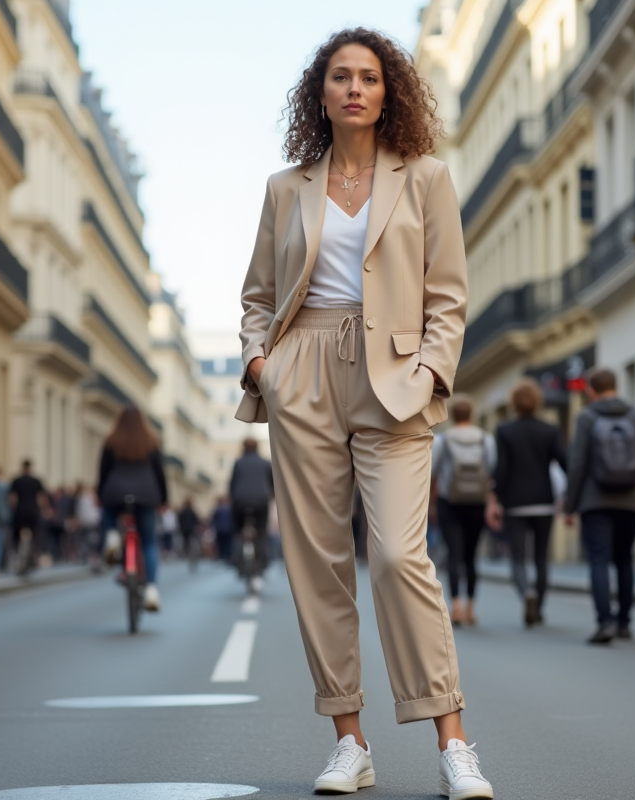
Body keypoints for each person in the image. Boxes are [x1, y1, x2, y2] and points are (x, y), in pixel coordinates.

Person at [236, 28, 491, 798]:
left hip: (395, 377)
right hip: (303, 368)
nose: (355, 88)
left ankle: (453, 740)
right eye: (341, 77)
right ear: (320, 94)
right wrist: (263, 364)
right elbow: (257, 295)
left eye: (370, 77)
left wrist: (428, 374)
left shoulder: (426, 178)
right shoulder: (288, 188)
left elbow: (448, 294)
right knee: (318, 563)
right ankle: (349, 740)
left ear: (389, 93)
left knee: (397, 557)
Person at [564, 368, 635, 645]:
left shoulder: (586, 417)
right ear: (615, 386)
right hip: (632, 500)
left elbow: (577, 464)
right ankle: (624, 623)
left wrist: (569, 505)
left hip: (594, 501)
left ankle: (605, 623)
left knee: (599, 559)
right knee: (624, 559)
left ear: (590, 391)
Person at [487, 379, 567, 628]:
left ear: (513, 403)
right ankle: (539, 608)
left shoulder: (505, 430)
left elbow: (501, 469)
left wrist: (494, 498)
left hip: (515, 504)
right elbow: (565, 464)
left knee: (519, 558)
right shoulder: (550, 430)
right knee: (542, 558)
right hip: (544, 501)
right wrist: (569, 498)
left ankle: (526, 594)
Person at [431, 397, 495, 627]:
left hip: (450, 503)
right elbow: (491, 469)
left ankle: (455, 605)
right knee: (471, 557)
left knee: (454, 555)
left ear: (452, 414)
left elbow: (432, 471)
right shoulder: (485, 439)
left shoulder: (443, 440)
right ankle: (470, 609)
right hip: (477, 503)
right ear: (472, 414)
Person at [98, 405, 167, 612]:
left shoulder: (111, 441)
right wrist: (163, 500)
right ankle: (152, 590)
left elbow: (103, 472)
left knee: (109, 514)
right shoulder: (151, 441)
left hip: (116, 492)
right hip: (146, 494)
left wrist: (100, 495)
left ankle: (111, 537)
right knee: (148, 543)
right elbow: (159, 474)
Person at [228, 438, 273, 585]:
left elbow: (232, 485)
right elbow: (272, 485)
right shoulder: (265, 463)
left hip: (240, 502)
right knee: (260, 532)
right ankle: (261, 561)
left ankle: (237, 558)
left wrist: (233, 498)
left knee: (238, 530)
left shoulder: (238, 463)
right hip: (261, 502)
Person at [8, 460, 48, 572]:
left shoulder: (17, 480)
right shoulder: (36, 481)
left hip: (20, 512)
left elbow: (12, 497)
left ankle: (17, 555)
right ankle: (33, 556)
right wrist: (44, 509)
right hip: (33, 512)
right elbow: (42, 496)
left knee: (16, 536)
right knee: (35, 536)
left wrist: (13, 508)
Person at [210, 496, 236, 564]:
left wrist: (213, 526)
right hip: (228, 529)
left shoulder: (218, 509)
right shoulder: (231, 509)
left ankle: (221, 556)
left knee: (221, 543)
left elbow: (213, 519)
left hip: (220, 529)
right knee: (227, 544)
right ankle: (227, 556)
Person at [178, 498, 200, 562]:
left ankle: (186, 551)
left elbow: (180, 519)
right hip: (191, 528)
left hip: (184, 529)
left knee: (185, 541)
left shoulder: (182, 511)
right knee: (192, 540)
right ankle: (192, 551)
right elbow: (196, 520)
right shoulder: (192, 511)